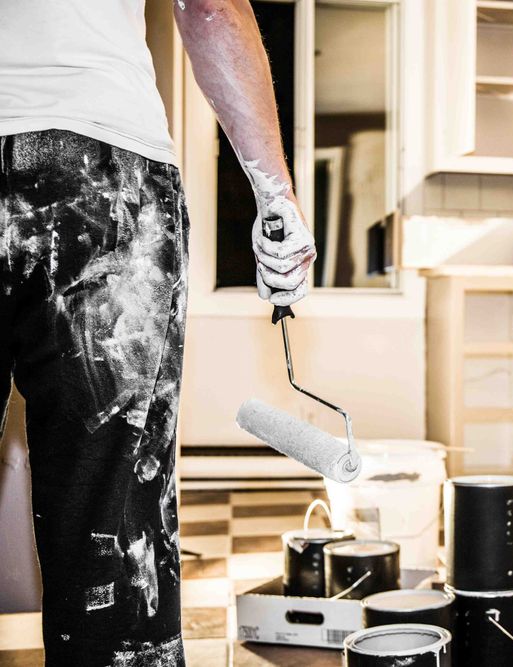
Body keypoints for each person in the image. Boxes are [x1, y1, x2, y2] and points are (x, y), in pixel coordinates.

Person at [0, 0, 316, 663]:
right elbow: (209, 6)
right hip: (102, 177)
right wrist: (275, 191)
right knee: (111, 535)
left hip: (92, 161)